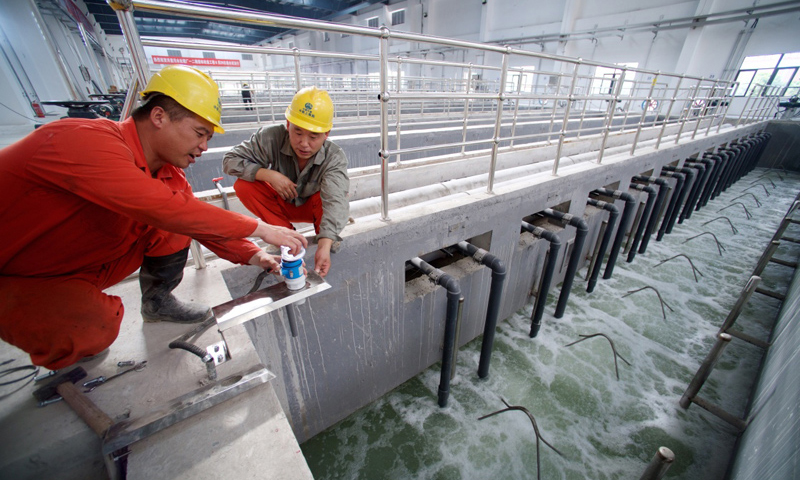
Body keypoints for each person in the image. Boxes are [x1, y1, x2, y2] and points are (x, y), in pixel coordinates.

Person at [0, 65, 307, 370]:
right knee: (95, 328)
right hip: (16, 272)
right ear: (159, 117)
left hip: (68, 264)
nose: (203, 146)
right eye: (200, 133)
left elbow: (196, 223)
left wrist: (257, 256)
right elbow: (166, 209)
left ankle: (157, 302)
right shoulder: (84, 141)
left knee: (178, 222)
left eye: (209, 137)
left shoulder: (168, 176)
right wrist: (261, 228)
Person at [223, 86, 349, 277]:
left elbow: (336, 200)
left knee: (331, 196)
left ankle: (323, 235)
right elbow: (230, 161)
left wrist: (325, 243)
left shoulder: (334, 157)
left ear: (326, 134)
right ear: (288, 124)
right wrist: (268, 175)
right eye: (298, 132)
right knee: (244, 186)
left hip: (312, 208)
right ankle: (287, 236)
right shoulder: (270, 137)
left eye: (313, 136)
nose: (304, 143)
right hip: (282, 204)